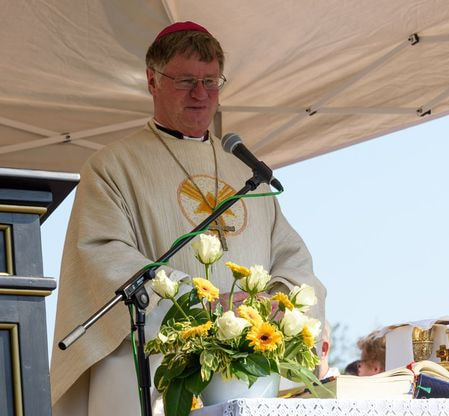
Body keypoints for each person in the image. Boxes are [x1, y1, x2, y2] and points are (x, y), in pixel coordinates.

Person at [50, 20, 326, 416]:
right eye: (185, 81)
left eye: (211, 82)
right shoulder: (112, 167)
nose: (200, 95)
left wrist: (273, 304)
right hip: (158, 369)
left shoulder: (243, 171)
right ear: (152, 80)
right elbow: (104, 257)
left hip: (252, 368)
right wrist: (201, 303)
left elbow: (294, 259)